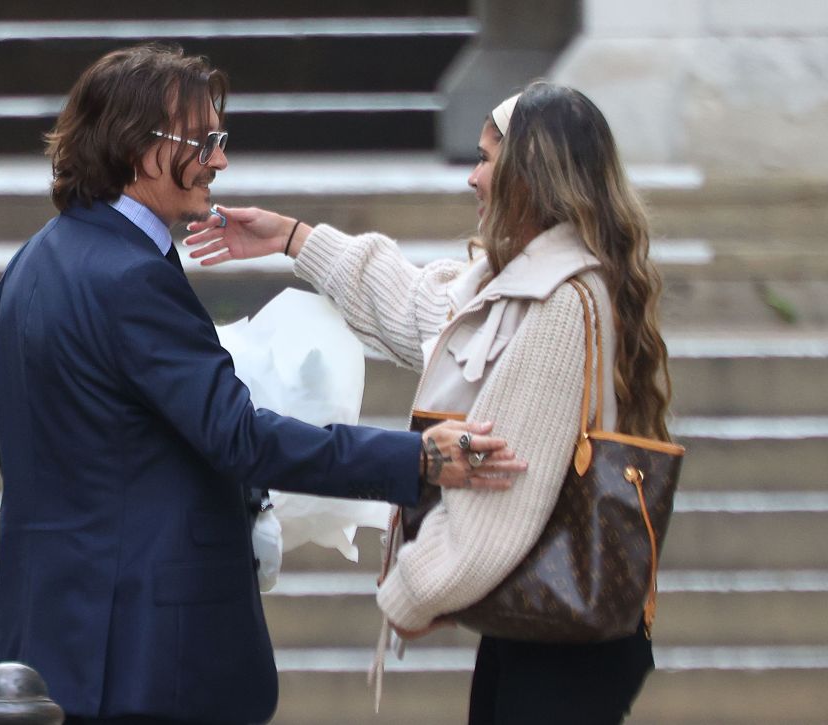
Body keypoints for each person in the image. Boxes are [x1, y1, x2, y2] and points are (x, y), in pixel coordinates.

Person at [0, 44, 526, 725]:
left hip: (55, 638)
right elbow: (239, 436)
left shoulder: (31, 263)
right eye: (206, 140)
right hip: (144, 656)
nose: (220, 160)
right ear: (144, 151)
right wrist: (418, 459)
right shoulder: (131, 278)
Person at [184, 81, 673, 724]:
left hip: (565, 647)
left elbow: (503, 486)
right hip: (545, 630)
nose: (472, 178)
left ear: (530, 174)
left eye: (486, 159)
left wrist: (412, 592)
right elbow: (419, 306)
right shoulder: (526, 286)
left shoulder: (556, 303)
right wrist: (294, 238)